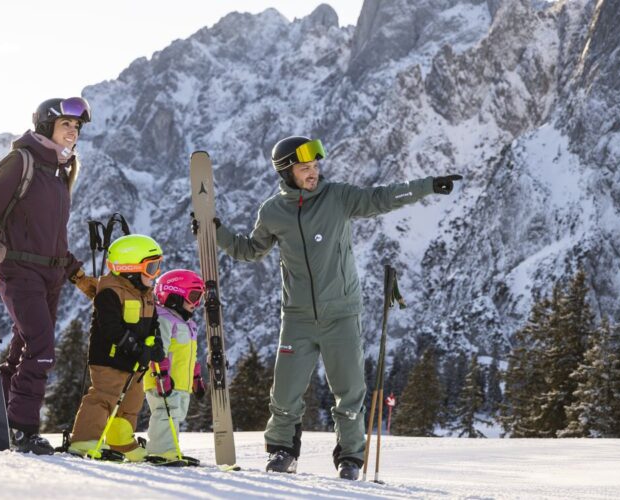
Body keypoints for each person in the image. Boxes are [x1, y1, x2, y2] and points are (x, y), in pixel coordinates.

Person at [207, 136, 462, 479]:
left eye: (315, 166)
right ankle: (283, 452)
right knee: (285, 392)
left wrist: (427, 186)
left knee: (350, 391)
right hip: (297, 317)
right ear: (286, 172)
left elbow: (381, 197)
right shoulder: (272, 211)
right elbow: (250, 250)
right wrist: (216, 232)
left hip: (341, 313)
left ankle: (350, 458)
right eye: (304, 168)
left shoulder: (338, 197)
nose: (313, 172)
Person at [0, 97, 99, 454]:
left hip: (50, 277)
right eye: (66, 124)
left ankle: (0, 423)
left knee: (23, 349)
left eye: (77, 127)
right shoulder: (23, 161)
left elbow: (54, 238)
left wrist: (77, 274)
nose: (73, 131)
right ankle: (22, 428)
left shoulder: (60, 174)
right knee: (41, 347)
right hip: (19, 270)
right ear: (47, 126)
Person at [67, 234, 165, 461]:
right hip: (109, 358)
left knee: (132, 401)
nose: (156, 274)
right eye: (151, 268)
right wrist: (136, 348)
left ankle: (121, 441)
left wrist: (156, 344)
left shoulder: (146, 295)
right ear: (130, 269)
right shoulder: (109, 292)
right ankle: (84, 439)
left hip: (134, 362)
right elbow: (111, 329)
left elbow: (153, 324)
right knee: (104, 396)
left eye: (158, 266)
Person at [144, 269, 208, 462]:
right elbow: (158, 350)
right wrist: (161, 375)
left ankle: (171, 449)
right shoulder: (163, 319)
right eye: (194, 296)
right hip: (163, 380)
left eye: (200, 298)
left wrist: (195, 377)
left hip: (180, 382)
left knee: (176, 415)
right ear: (174, 295)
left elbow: (189, 354)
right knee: (165, 413)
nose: (196, 303)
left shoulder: (188, 324)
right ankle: (160, 451)